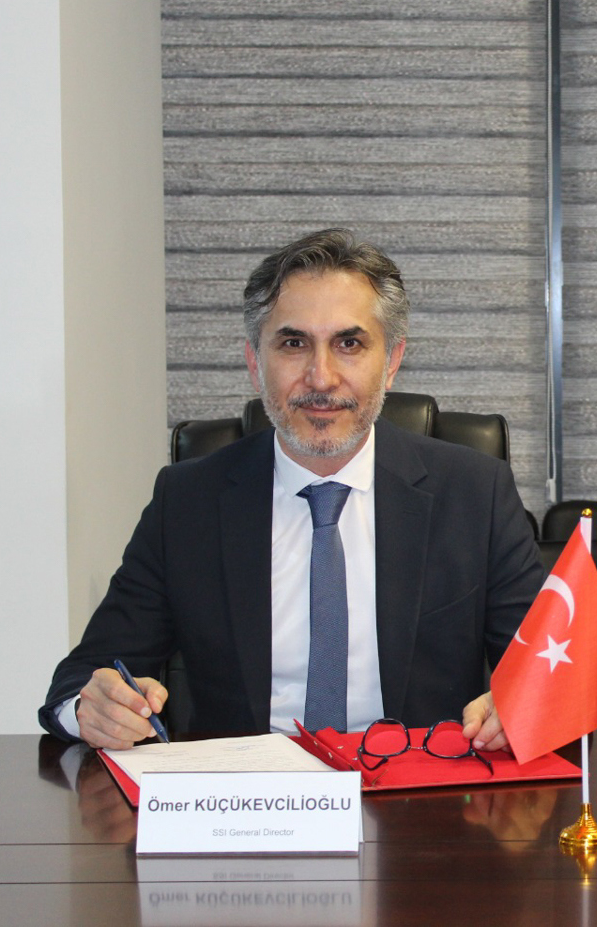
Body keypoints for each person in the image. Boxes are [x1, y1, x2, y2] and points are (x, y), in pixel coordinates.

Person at [40, 228, 543, 751]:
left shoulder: (475, 494)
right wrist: (92, 709)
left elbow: (555, 673)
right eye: (294, 344)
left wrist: (523, 707)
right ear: (255, 363)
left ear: (392, 361)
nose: (321, 378)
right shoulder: (188, 502)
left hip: (420, 786)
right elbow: (81, 680)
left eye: (349, 344)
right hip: (248, 793)